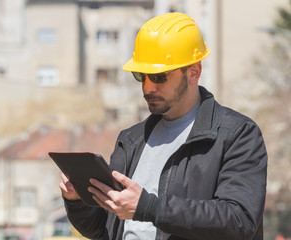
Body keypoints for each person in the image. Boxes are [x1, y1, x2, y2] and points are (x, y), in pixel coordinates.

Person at [59, 12, 267, 240]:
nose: (148, 88)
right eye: (142, 75)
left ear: (194, 72)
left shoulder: (237, 135)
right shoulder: (130, 140)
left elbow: (240, 221)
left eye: (159, 77)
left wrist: (149, 207)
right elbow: (104, 230)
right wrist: (76, 201)